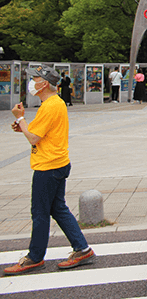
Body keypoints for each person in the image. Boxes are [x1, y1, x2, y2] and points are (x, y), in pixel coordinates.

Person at [3, 66, 95, 276]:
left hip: (48, 166)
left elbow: (34, 137)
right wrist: (23, 125)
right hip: (58, 162)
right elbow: (38, 132)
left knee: (40, 212)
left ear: (44, 83)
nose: (31, 82)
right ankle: (82, 249)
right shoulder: (55, 103)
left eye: (34, 79)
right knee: (58, 208)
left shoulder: (50, 105)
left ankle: (34, 258)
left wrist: (20, 118)